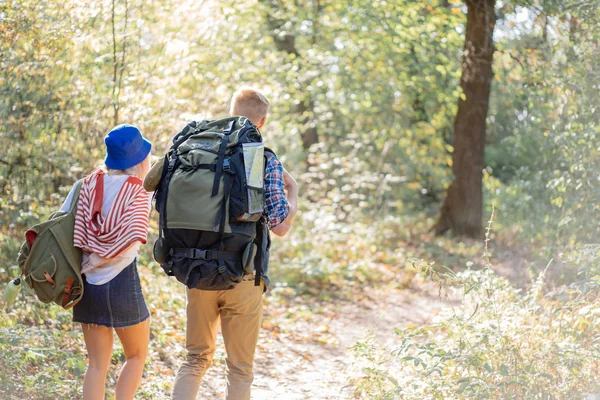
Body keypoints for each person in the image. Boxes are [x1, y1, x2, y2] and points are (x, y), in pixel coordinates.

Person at [144, 86, 298, 400]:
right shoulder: (262, 157)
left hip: (194, 269)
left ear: (231, 112)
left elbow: (153, 190)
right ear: (263, 121)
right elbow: (280, 226)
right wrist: (293, 193)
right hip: (242, 272)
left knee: (196, 359)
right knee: (240, 368)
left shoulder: (195, 147)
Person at [60, 124, 153, 400]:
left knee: (97, 364)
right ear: (138, 159)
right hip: (122, 281)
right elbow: (133, 239)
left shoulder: (85, 185)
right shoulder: (138, 191)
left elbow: (63, 223)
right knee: (136, 355)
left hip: (87, 282)